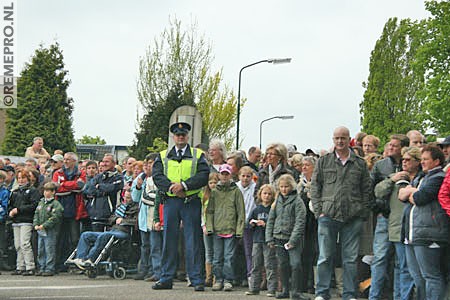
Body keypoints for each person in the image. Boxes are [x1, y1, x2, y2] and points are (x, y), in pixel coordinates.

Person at [311, 126, 372, 300]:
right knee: (325, 256)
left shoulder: (359, 163)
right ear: (333, 139)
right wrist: (319, 211)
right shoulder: (324, 161)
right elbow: (315, 187)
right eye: (337, 138)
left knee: (350, 259)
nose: (340, 141)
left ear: (349, 139)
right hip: (327, 215)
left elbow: (366, 190)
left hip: (353, 217)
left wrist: (362, 214)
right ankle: (322, 293)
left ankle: (349, 294)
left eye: (343, 138)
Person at [152, 122, 209, 292]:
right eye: (177, 134)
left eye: (183, 134)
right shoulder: (162, 156)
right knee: (169, 240)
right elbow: (157, 176)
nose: (180, 137)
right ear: (173, 137)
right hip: (171, 201)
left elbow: (203, 175)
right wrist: (172, 187)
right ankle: (166, 277)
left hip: (190, 201)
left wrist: (184, 186)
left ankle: (197, 279)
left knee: (193, 241)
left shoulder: (198, 155)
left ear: (188, 136)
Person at [400, 145, 448, 300]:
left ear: (436, 161)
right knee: (418, 278)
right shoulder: (422, 177)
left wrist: (412, 192)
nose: (422, 162)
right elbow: (401, 195)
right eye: (421, 159)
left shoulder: (439, 178)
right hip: (412, 234)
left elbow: (420, 198)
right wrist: (412, 192)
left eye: (426, 159)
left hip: (428, 235)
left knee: (432, 276)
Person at [373, 147, 421, 300]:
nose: (404, 162)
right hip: (395, 226)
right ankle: (377, 296)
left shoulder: (422, 178)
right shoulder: (397, 176)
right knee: (394, 265)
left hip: (412, 228)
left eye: (408, 160)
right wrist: (391, 180)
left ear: (417, 162)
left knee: (405, 267)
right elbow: (378, 192)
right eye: (403, 160)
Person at [369, 134, 409, 300]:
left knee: (401, 263)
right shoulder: (380, 166)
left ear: (403, 148)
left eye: (395, 145)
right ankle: (374, 296)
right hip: (385, 217)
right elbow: (372, 191)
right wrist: (379, 208)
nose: (391, 148)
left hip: (404, 220)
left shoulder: (412, 164)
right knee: (379, 259)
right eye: (389, 145)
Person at [67, 190, 138, 268]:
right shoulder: (120, 207)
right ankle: (80, 258)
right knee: (85, 235)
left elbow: (136, 222)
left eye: (128, 198)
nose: (125, 199)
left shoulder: (136, 208)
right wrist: (116, 219)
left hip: (124, 231)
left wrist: (123, 221)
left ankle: (90, 259)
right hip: (112, 229)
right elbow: (110, 218)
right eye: (125, 197)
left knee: (105, 235)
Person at [266, 174, 309, 300]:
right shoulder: (277, 200)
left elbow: (300, 222)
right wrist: (269, 238)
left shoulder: (298, 201)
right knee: (283, 264)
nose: (284, 189)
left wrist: (293, 240)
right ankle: (285, 289)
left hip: (293, 239)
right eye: (282, 187)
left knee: (295, 264)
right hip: (279, 236)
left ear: (291, 187)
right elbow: (271, 220)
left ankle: (296, 291)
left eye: (286, 187)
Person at [206, 164, 245, 292]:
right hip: (217, 230)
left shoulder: (236, 191)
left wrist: (239, 230)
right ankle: (218, 279)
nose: (224, 176)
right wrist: (210, 227)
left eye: (227, 174)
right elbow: (210, 211)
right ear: (219, 175)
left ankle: (228, 280)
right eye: (222, 173)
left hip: (231, 229)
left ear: (231, 175)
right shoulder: (214, 192)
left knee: (229, 257)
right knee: (217, 257)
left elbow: (241, 212)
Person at [52, 152, 86, 272]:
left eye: (68, 159)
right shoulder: (58, 173)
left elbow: (80, 186)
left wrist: (64, 185)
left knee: (74, 239)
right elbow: (56, 188)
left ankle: (74, 264)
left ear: (74, 161)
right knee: (59, 238)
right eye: (64, 159)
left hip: (74, 211)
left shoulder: (80, 173)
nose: (65, 161)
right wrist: (71, 187)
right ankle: (59, 264)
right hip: (60, 211)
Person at [132, 153, 161, 282]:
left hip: (155, 218)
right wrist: (138, 187)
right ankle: (143, 270)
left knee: (156, 246)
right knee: (145, 246)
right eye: (147, 163)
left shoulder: (159, 178)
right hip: (144, 218)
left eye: (151, 163)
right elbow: (135, 198)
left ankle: (155, 271)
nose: (148, 166)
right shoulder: (141, 178)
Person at [245, 184, 277, 297]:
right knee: (256, 264)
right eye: (264, 193)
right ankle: (254, 288)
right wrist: (252, 224)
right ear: (260, 194)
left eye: (269, 194)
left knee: (270, 265)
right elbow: (248, 224)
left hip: (268, 240)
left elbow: (276, 224)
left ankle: (272, 289)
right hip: (257, 240)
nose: (267, 196)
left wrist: (266, 224)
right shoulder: (256, 209)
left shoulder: (274, 209)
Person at [8, 170, 41, 276]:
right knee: (17, 245)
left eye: (23, 178)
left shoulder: (33, 191)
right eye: (19, 178)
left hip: (26, 220)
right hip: (16, 221)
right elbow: (11, 204)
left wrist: (19, 209)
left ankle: (30, 266)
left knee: (25, 243)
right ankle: (20, 266)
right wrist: (11, 211)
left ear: (28, 179)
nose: (21, 180)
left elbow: (34, 205)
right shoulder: (15, 191)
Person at [85, 154, 124, 232]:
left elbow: (112, 188)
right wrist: (102, 191)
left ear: (114, 163)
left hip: (110, 215)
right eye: (103, 161)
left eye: (107, 162)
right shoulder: (98, 176)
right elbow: (88, 189)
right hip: (96, 215)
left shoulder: (118, 177)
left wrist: (99, 186)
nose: (104, 164)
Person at [33, 182, 64, 276]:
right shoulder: (41, 203)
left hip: (50, 230)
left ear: (53, 192)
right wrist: (36, 224)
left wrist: (45, 225)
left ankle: (50, 268)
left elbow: (55, 217)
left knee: (49, 249)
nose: (46, 193)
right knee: (41, 249)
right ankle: (41, 267)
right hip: (40, 230)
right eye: (45, 191)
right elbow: (36, 214)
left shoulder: (56, 204)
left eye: (49, 191)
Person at [297, 156, 318, 294]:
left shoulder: (317, 182)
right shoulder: (299, 184)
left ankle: (313, 283)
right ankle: (302, 284)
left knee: (314, 253)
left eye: (307, 165)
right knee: (303, 253)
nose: (304, 167)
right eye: (303, 165)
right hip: (302, 222)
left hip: (315, 222)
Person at [236, 166, 257, 285]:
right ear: (239, 176)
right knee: (234, 252)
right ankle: (236, 277)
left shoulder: (255, 188)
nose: (245, 178)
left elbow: (252, 205)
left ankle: (250, 276)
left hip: (249, 224)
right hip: (235, 223)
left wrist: (249, 219)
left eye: (248, 176)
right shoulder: (235, 187)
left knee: (249, 251)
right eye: (243, 176)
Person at [201, 172, 220, 287]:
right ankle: (209, 277)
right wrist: (203, 225)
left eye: (215, 182)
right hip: (207, 227)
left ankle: (216, 277)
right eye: (211, 182)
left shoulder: (220, 196)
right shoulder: (204, 196)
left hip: (218, 227)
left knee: (217, 252)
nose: (213, 185)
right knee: (209, 252)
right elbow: (202, 212)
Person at [0, 170, 11, 272]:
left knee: (1, 243)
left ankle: (2, 263)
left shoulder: (4, 192)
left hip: (1, 221)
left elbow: (4, 206)